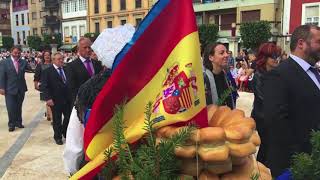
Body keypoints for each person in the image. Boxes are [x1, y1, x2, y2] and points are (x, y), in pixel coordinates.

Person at [263, 25, 320, 177]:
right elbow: (276, 120)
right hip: (294, 165)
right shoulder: (279, 75)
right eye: (318, 41)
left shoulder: (314, 73)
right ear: (301, 43)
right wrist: (302, 158)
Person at [250, 42, 281, 164]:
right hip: (263, 118)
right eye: (273, 56)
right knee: (266, 146)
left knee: (271, 147)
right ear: (265, 58)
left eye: (277, 56)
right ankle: (260, 170)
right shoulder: (258, 76)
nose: (276, 59)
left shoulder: (276, 73)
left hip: (273, 117)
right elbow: (265, 99)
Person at [41, 52, 72, 145]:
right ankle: (57, 137)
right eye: (59, 59)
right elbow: (45, 86)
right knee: (57, 119)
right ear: (53, 60)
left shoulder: (66, 69)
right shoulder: (47, 71)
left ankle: (64, 131)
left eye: (62, 58)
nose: (61, 60)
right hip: (55, 100)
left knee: (68, 117)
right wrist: (48, 98)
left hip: (67, 99)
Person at [67, 37, 103, 103]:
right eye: (85, 47)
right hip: (82, 103)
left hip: (97, 101)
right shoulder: (71, 66)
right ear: (78, 49)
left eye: (89, 47)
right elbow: (72, 88)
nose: (88, 50)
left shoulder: (97, 64)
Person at [0, 46, 28, 132]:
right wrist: (1, 87)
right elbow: (1, 76)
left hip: (21, 88)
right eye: (15, 53)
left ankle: (18, 122)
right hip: (9, 89)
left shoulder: (23, 62)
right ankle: (11, 124)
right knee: (11, 107)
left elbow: (31, 70)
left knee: (18, 106)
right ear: (11, 52)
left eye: (19, 53)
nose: (17, 54)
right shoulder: (4, 62)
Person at [203, 43, 235, 109]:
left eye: (226, 52)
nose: (226, 55)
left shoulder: (226, 75)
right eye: (221, 53)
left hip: (227, 116)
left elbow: (230, 99)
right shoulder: (203, 79)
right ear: (211, 57)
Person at [34, 50, 53, 121]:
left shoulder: (53, 64)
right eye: (45, 55)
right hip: (44, 85)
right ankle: (52, 118)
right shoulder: (40, 65)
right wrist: (36, 84)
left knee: (51, 100)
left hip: (53, 85)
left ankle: (48, 114)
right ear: (43, 56)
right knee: (48, 100)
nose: (47, 56)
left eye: (48, 55)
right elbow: (37, 76)